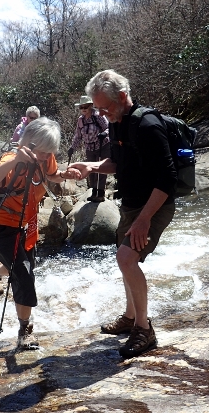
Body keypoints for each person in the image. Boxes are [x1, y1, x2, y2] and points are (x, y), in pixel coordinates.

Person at [68, 70, 177, 359]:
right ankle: (130, 317)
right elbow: (116, 163)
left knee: (127, 258)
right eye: (97, 109)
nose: (101, 114)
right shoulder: (117, 123)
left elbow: (168, 179)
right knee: (124, 259)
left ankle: (144, 329)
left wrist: (144, 220)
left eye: (104, 107)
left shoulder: (148, 125)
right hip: (130, 204)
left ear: (122, 96)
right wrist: (91, 167)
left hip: (154, 205)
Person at [0, 117, 80, 350]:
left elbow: (51, 175)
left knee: (25, 264)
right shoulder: (11, 160)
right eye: (42, 152)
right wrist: (17, 159)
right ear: (29, 143)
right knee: (23, 273)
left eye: (49, 152)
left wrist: (65, 175)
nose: (45, 156)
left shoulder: (46, 156)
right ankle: (25, 330)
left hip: (23, 222)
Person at [68, 95, 110, 202]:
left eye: (85, 106)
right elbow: (78, 136)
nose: (83, 109)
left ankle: (101, 194)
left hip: (102, 146)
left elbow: (109, 127)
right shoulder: (80, 120)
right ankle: (93, 193)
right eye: (81, 107)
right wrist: (72, 148)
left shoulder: (98, 116)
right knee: (90, 171)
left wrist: (104, 133)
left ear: (91, 106)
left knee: (101, 170)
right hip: (89, 148)